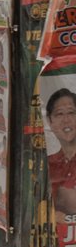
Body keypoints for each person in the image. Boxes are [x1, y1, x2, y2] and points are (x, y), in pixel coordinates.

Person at [46, 87, 76, 215]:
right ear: (50, 122)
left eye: (71, 113)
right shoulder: (46, 165)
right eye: (59, 114)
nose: (66, 120)